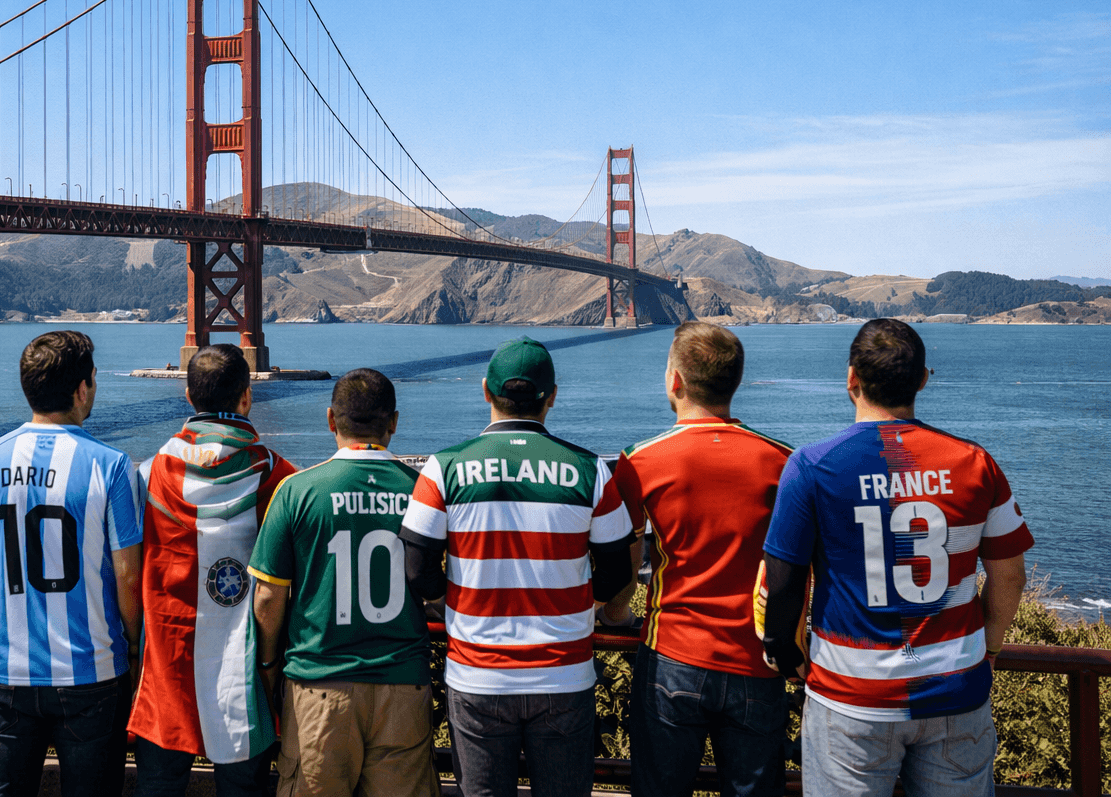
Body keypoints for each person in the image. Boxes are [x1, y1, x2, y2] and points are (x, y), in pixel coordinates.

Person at [759, 319, 1034, 797]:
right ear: (923, 380)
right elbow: (1010, 576)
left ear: (851, 380)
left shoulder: (811, 467)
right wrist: (988, 650)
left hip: (850, 698)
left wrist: (787, 656)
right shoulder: (976, 463)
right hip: (956, 692)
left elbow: (782, 583)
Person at [399, 336, 634, 797]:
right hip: (564, 674)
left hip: (477, 674)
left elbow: (416, 567)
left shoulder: (442, 469)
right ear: (552, 397)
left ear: (485, 391)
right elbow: (616, 570)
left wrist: (451, 605)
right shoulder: (590, 471)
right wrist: (584, 607)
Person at [0, 330, 143, 797]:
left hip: (8, 668)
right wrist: (134, 649)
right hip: (92, 670)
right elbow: (128, 576)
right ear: (81, 389)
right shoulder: (112, 466)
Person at [606, 322, 794, 797]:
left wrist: (614, 614)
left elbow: (627, 562)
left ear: (675, 381)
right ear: (735, 382)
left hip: (672, 656)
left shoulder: (638, 461)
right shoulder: (783, 461)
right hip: (757, 661)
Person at [249, 368, 438, 797]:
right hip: (403, 687)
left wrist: (267, 668)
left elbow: (267, 598)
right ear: (393, 422)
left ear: (331, 419)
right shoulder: (423, 491)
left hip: (319, 689)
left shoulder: (297, 491)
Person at [128, 344, 296, 797]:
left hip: (166, 668)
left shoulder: (147, 474)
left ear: (187, 397)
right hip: (245, 678)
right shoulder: (278, 478)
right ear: (247, 397)